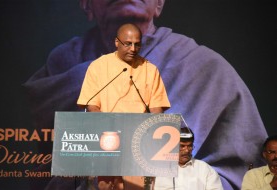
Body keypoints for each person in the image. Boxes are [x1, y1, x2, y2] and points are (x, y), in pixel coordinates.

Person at [23, 0, 268, 189]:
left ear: (159, 3)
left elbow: (249, 178)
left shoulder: (206, 70)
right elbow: (41, 174)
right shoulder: (60, 67)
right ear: (86, 3)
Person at [77, 23, 171, 189]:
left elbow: (157, 111)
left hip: (137, 146)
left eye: (137, 44)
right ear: (116, 42)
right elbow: (92, 106)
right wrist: (111, 129)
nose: (133, 49)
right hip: (106, 143)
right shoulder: (98, 67)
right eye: (128, 44)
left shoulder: (150, 70)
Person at [155, 127, 223, 190]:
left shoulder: (205, 169)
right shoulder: (157, 169)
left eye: (190, 146)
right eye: (182, 146)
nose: (187, 150)